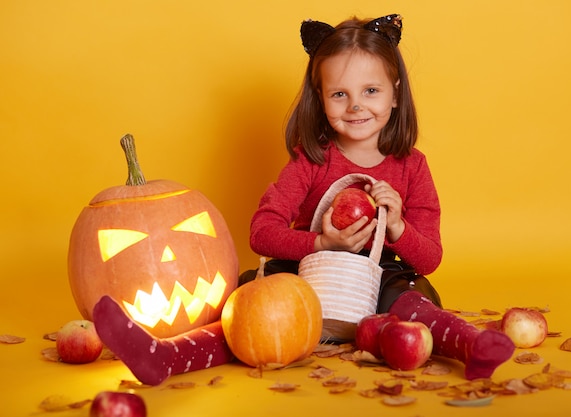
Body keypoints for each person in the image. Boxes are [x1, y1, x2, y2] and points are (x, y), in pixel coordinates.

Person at [92, 14, 514, 386]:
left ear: (395, 94)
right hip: (309, 272)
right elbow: (261, 232)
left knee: (413, 295)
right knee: (249, 303)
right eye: (339, 95)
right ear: (320, 96)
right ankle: (168, 356)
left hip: (377, 278)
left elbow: (430, 258)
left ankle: (472, 345)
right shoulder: (311, 160)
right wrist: (322, 244)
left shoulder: (412, 167)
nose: (355, 107)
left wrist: (399, 226)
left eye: (371, 91)